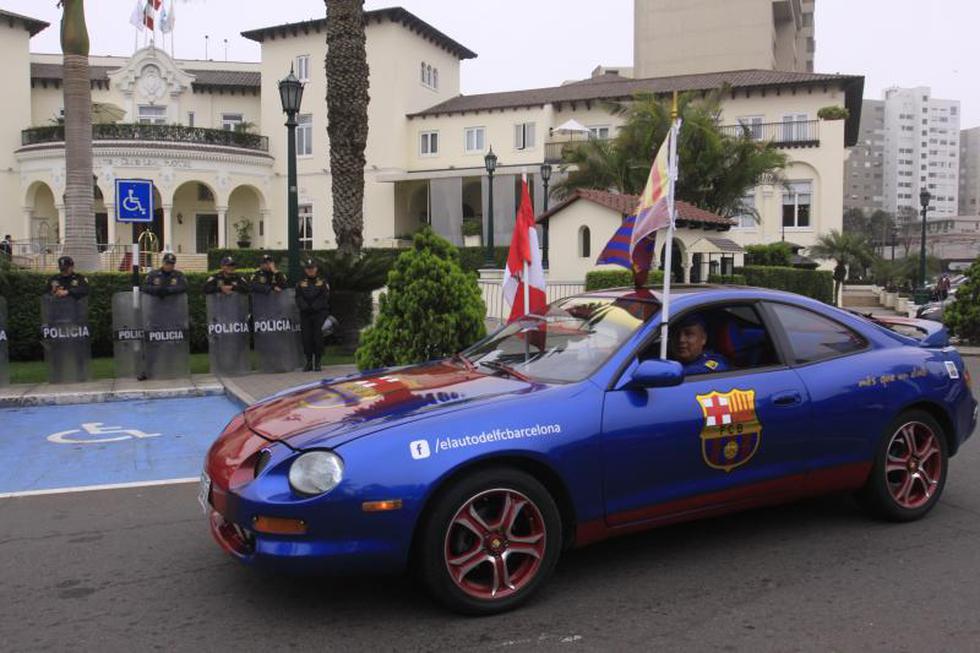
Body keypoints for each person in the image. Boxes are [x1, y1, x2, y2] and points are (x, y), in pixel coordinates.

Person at [295, 258, 330, 372]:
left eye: (312, 268)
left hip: (318, 313)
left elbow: (324, 297)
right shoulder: (301, 283)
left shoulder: (322, 282)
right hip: (305, 314)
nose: (310, 271)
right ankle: (309, 362)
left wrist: (314, 307)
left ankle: (318, 362)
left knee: (317, 337)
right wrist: (305, 307)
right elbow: (298, 297)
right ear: (305, 270)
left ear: (316, 269)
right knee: (306, 338)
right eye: (308, 269)